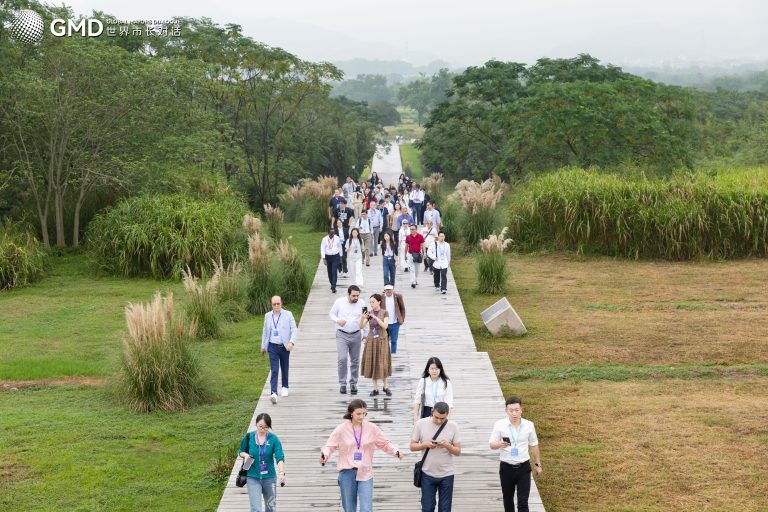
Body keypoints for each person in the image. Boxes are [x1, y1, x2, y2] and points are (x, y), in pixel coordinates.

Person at [320, 399, 403, 512]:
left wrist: (395, 451)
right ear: (351, 413)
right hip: (347, 472)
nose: (361, 416)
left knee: (366, 509)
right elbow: (330, 446)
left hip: (365, 472)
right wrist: (325, 455)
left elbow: (385, 443)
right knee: (349, 509)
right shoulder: (341, 429)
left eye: (364, 413)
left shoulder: (372, 428)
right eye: (358, 413)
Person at [489, 396, 543, 512]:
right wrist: (499, 444)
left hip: (523, 467)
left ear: (521, 409)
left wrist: (538, 464)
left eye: (517, 410)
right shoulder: (499, 424)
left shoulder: (529, 425)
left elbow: (534, 444)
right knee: (508, 500)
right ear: (506, 410)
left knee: (523, 502)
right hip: (506, 467)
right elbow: (492, 444)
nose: (514, 413)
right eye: (511, 410)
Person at [410, 402, 461, 512]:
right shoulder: (421, 423)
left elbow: (457, 451)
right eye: (436, 417)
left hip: (447, 474)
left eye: (442, 419)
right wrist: (425, 444)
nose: (438, 421)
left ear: (447, 415)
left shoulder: (453, 426)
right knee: (427, 508)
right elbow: (412, 446)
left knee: (445, 509)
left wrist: (448, 446)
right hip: (427, 473)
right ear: (432, 412)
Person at [239, 413, 285, 512]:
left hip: (270, 478)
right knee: (255, 509)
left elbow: (279, 456)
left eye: (266, 427)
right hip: (253, 477)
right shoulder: (249, 437)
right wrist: (245, 455)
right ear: (256, 424)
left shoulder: (273, 439)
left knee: (270, 507)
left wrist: (281, 472)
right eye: (260, 426)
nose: (263, 429)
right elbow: (241, 451)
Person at [261, 296, 297, 404]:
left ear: (281, 303)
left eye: (278, 304)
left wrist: (291, 342)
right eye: (274, 304)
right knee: (274, 369)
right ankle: (273, 393)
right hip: (272, 346)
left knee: (284, 367)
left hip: (284, 346)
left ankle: (285, 386)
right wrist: (263, 346)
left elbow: (294, 329)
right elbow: (265, 331)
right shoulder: (268, 316)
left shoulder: (288, 314)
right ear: (271, 305)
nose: (276, 306)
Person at [329, 285, 365, 394]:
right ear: (348, 294)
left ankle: (353, 383)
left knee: (355, 360)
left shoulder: (362, 303)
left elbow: (365, 318)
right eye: (353, 295)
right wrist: (337, 320)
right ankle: (342, 383)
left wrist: (366, 334)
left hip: (356, 334)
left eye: (357, 295)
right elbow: (331, 314)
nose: (356, 298)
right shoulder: (339, 302)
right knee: (342, 359)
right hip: (342, 334)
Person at [360, 294, 392, 397]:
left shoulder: (384, 312)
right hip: (371, 340)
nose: (371, 304)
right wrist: (363, 318)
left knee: (383, 362)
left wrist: (376, 318)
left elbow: (385, 326)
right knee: (373, 361)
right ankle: (375, 388)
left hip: (382, 339)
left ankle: (386, 386)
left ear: (379, 302)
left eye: (373, 301)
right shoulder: (369, 313)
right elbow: (360, 326)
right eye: (370, 302)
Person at [413, 357, 454, 421]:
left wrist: (447, 419)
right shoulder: (423, 381)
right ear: (428, 370)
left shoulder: (446, 382)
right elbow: (417, 401)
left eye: (436, 368)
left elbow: (449, 403)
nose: (434, 371)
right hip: (426, 412)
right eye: (432, 369)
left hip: (441, 413)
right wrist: (415, 419)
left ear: (440, 369)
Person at [382, 284, 405, 354]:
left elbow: (402, 309)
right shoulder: (381, 297)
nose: (388, 291)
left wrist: (402, 319)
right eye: (387, 290)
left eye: (390, 289)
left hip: (395, 323)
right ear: (385, 290)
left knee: (394, 340)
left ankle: (393, 355)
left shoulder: (398, 296)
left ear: (392, 290)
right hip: (385, 323)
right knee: (385, 341)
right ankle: (386, 355)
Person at [321, 227, 342, 293]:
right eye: (331, 233)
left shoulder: (337, 238)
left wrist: (341, 257)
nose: (332, 234)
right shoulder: (324, 239)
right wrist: (324, 258)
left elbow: (340, 247)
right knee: (329, 272)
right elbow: (322, 248)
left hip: (335, 256)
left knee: (334, 271)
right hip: (328, 257)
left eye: (333, 233)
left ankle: (334, 286)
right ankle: (332, 283)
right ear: (328, 233)